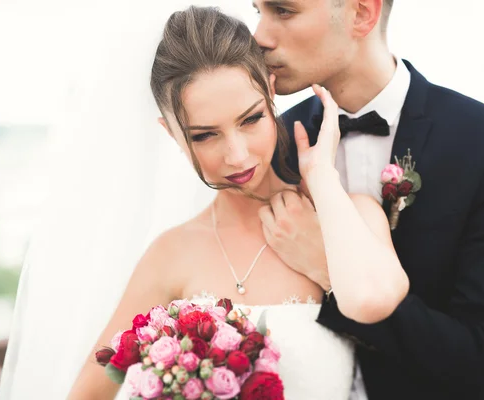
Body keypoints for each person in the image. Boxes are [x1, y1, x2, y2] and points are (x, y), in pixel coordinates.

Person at [68, 6, 409, 399]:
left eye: (251, 120)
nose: (238, 155)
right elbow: (88, 393)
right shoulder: (170, 253)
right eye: (204, 136)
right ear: (173, 135)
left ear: (271, 91)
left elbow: (371, 301)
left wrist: (321, 176)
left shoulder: (355, 215)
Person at [252, 0, 484, 399]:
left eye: (283, 10)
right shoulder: (268, 148)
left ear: (361, 13)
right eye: (257, 11)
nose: (259, 36)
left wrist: (332, 271)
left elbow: (480, 357)